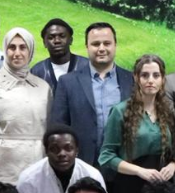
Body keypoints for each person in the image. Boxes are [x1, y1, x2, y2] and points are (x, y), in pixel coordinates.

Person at [100, 54, 175, 193]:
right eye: (145, 75)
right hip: (130, 189)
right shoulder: (121, 111)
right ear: (136, 78)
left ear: (163, 79)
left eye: (156, 75)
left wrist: (172, 166)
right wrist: (140, 171)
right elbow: (107, 156)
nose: (150, 80)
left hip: (161, 188)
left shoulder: (168, 110)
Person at [0, 27, 50, 185]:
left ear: (30, 50)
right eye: (12, 47)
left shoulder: (43, 87)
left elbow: (49, 130)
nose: (17, 53)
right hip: (2, 171)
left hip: (39, 168)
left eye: (23, 47)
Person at [50, 22, 133, 169]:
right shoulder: (68, 82)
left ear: (115, 45)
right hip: (82, 166)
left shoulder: (132, 80)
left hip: (124, 166)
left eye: (107, 43)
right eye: (95, 44)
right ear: (87, 47)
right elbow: (59, 127)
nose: (101, 48)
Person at [30, 18, 87, 92]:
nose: (57, 41)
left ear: (70, 40)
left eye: (62, 36)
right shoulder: (36, 72)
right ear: (44, 43)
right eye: (51, 37)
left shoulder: (87, 67)